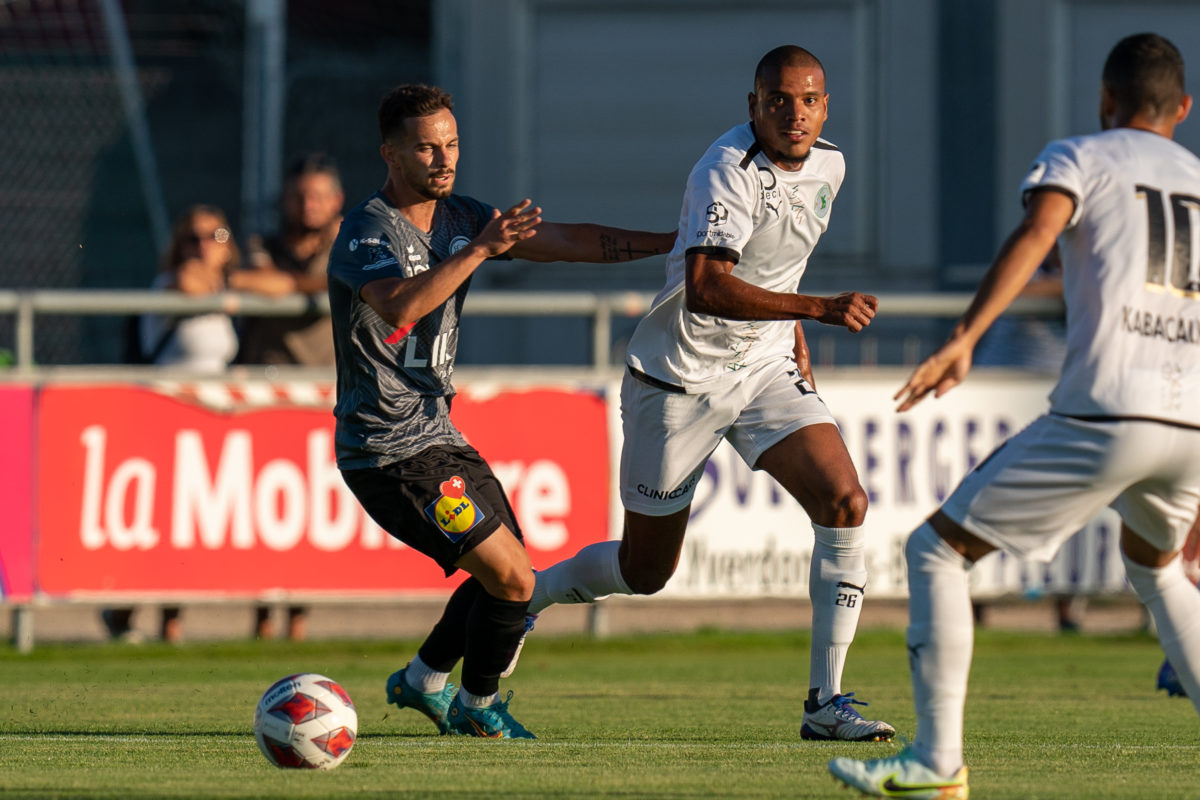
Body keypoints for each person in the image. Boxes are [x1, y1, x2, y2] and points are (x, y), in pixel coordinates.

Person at [830, 33, 1200, 798]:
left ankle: (936, 764)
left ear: (1106, 99)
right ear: (1184, 109)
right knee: (1157, 570)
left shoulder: (1083, 156)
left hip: (1110, 409)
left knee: (935, 552)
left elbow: (1038, 234)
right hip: (1190, 424)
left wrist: (965, 337)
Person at [516, 45, 895, 743]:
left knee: (845, 501)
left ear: (826, 106)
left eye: (808, 100)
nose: (794, 113)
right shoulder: (725, 171)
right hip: (681, 380)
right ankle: (531, 595)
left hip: (764, 369)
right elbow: (707, 287)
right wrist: (815, 310)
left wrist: (793, 332)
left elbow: (782, 259)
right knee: (645, 571)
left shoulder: (831, 166)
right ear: (753, 105)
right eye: (778, 100)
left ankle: (826, 702)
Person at [328, 83, 675, 739]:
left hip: (437, 437)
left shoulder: (463, 217)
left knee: (508, 573)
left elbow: (568, 239)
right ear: (389, 153)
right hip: (384, 452)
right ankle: (478, 708)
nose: (443, 159)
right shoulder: (367, 229)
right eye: (425, 147)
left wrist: (672, 241)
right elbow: (400, 307)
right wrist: (481, 249)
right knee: (513, 580)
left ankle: (425, 680)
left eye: (451, 144)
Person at [237, 152, 345, 367]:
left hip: (330, 384)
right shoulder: (262, 245)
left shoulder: (349, 246)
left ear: (336, 200)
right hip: (269, 380)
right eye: (299, 197)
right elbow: (262, 279)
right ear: (284, 199)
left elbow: (356, 283)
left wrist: (287, 285)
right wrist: (323, 283)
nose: (308, 206)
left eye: (318, 197)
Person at [138, 205, 243, 372]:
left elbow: (280, 285)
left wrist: (228, 282)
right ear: (180, 246)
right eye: (193, 239)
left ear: (227, 246)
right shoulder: (167, 282)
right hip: (168, 391)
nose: (204, 245)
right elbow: (187, 281)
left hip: (211, 392)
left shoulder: (226, 285)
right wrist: (222, 290)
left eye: (216, 236)